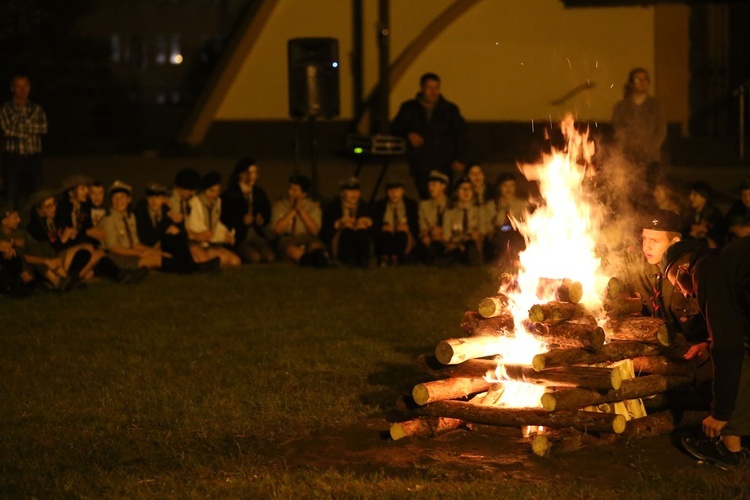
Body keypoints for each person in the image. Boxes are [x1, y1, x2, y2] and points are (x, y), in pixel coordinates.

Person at [661, 238, 750, 469]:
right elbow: (736, 324)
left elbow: (729, 344)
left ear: (682, 269)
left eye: (677, 284)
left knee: (742, 355)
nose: (683, 293)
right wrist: (710, 343)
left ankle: (729, 449)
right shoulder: (720, 261)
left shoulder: (705, 269)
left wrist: (719, 413)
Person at [624, 209, 709, 355]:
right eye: (645, 238)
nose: (646, 247)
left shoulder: (694, 272)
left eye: (655, 241)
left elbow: (727, 319)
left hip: (691, 355)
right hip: (651, 355)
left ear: (675, 242)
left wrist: (708, 345)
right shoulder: (637, 265)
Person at [392, 72, 467, 199]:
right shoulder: (409, 108)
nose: (433, 92)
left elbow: (461, 133)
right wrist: (408, 134)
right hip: (421, 163)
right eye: (430, 88)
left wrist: (460, 158)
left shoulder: (449, 109)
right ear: (422, 88)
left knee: (444, 196)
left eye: (436, 88)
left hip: (444, 161)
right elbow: (396, 126)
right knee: (425, 196)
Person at [612, 68, 667, 184]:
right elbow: (618, 130)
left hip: (651, 158)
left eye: (645, 79)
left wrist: (651, 148)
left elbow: (661, 130)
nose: (642, 82)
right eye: (638, 79)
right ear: (632, 83)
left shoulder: (656, 106)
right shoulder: (621, 107)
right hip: (629, 158)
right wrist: (628, 149)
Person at [0, 74, 48, 206]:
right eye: (18, 86)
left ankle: (35, 225)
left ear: (29, 87)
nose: (22, 90)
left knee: (37, 198)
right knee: (11, 198)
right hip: (14, 159)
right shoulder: (6, 108)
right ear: (12, 88)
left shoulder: (36, 108)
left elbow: (43, 128)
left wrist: (20, 127)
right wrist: (31, 128)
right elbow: (7, 131)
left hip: (34, 159)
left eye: (25, 86)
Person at [220, 158, 275, 264]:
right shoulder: (230, 194)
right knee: (254, 258)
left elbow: (267, 212)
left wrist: (262, 220)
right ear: (241, 174)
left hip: (256, 234)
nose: (254, 176)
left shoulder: (259, 193)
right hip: (240, 236)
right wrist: (241, 221)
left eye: (255, 173)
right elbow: (225, 217)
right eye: (250, 173)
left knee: (269, 257)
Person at [271, 174, 329, 267]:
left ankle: (321, 260)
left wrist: (301, 211)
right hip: (287, 238)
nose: (290, 193)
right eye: (290, 189)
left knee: (315, 245)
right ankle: (307, 261)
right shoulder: (280, 205)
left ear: (303, 194)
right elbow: (277, 230)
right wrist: (293, 211)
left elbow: (315, 231)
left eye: (294, 191)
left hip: (306, 237)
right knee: (291, 250)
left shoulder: (312, 207)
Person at [186, 172, 241, 268]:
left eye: (217, 191)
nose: (214, 194)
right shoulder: (195, 203)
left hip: (212, 243)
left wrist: (226, 234)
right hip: (198, 243)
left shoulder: (217, 202)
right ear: (204, 190)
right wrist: (219, 237)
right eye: (211, 191)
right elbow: (198, 228)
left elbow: (216, 223)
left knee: (235, 261)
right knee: (211, 260)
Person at [320, 177, 373, 268]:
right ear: (342, 193)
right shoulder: (333, 208)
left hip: (360, 236)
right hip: (341, 240)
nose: (354, 194)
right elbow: (325, 231)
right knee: (347, 230)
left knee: (361, 230)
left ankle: (363, 259)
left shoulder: (364, 206)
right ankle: (348, 259)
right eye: (350, 191)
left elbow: (374, 225)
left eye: (356, 191)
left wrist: (367, 222)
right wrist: (339, 224)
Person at [372, 176, 419, 267]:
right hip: (386, 235)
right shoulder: (380, 205)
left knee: (401, 235)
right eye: (390, 191)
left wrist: (407, 228)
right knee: (386, 235)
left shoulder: (410, 205)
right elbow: (375, 224)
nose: (394, 193)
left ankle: (397, 256)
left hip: (403, 235)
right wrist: (383, 227)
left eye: (397, 190)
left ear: (403, 191)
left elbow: (415, 223)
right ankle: (384, 257)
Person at [443, 176, 489, 266]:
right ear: (456, 192)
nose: (465, 191)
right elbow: (446, 235)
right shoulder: (450, 212)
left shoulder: (479, 210)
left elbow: (483, 231)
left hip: (473, 244)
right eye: (462, 189)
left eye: (469, 189)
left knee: (471, 244)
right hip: (456, 245)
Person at [486, 173, 526, 268]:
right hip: (498, 235)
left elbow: (525, 223)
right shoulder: (491, 205)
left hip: (516, 234)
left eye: (512, 185)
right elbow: (488, 225)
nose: (508, 189)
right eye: (505, 185)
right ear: (499, 187)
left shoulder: (522, 204)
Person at [55, 174, 105, 247]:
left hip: (85, 245)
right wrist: (86, 233)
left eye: (87, 188)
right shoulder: (62, 209)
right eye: (82, 189)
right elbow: (68, 234)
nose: (87, 191)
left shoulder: (85, 207)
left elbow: (88, 228)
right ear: (71, 193)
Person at [0, 201, 38, 296]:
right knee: (15, 252)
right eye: (15, 218)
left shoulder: (19, 232)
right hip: (10, 265)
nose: (19, 220)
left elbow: (25, 243)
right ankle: (26, 279)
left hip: (24, 261)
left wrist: (11, 243)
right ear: (4, 221)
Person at [417, 170, 450, 265]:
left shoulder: (450, 204)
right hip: (430, 237)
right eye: (429, 185)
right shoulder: (424, 205)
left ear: (443, 186)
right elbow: (422, 224)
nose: (430, 188)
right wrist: (426, 234)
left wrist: (442, 230)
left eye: (434, 185)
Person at [683, 182, 725, 248]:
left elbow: (721, 234)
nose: (690, 197)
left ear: (704, 197)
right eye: (691, 194)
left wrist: (706, 231)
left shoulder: (714, 214)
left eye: (695, 195)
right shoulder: (688, 213)